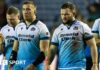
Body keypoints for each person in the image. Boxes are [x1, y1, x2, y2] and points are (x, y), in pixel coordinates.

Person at [48, 2, 98, 70]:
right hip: (62, 68)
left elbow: (92, 45)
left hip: (79, 67)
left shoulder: (83, 27)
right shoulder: (58, 30)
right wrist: (48, 63)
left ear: (73, 13)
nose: (63, 17)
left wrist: (95, 64)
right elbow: (52, 50)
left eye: (66, 14)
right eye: (62, 14)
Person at [8, 1, 50, 70]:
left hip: (35, 66)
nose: (25, 12)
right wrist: (10, 63)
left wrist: (33, 65)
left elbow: (44, 52)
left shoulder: (42, 27)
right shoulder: (18, 26)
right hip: (19, 65)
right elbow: (14, 49)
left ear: (34, 10)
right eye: (23, 9)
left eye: (28, 9)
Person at [0, 6, 20, 70]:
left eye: (12, 19)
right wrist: (1, 44)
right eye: (8, 19)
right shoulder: (3, 30)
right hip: (7, 63)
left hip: (22, 62)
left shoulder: (25, 28)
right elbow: (1, 50)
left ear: (18, 17)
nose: (9, 21)